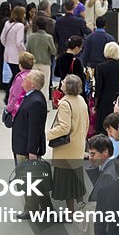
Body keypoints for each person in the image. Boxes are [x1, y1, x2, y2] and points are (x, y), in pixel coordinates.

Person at [48, 75, 89, 211]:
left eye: (64, 81)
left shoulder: (65, 104)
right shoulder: (81, 100)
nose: (62, 82)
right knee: (76, 179)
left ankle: (71, 212)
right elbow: (87, 123)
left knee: (66, 183)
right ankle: (80, 207)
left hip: (66, 148)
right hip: (78, 145)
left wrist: (48, 135)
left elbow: (64, 127)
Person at [12, 70, 48, 164]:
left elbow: (35, 128)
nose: (23, 80)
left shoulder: (36, 102)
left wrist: (32, 151)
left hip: (26, 150)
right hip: (20, 145)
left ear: (33, 84)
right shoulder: (29, 97)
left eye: (26, 79)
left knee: (25, 175)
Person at [94, 42, 119, 131]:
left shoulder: (101, 67)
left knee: (103, 126)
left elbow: (99, 87)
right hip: (117, 98)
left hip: (104, 100)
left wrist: (96, 103)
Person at [25, 15, 55, 96]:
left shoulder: (31, 37)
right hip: (45, 63)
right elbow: (53, 51)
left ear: (37, 26)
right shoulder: (49, 37)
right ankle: (43, 104)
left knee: (34, 85)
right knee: (45, 85)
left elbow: (27, 50)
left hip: (34, 63)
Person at [0, 5, 28, 87]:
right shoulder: (20, 26)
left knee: (14, 74)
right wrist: (24, 51)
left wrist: (8, 45)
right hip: (16, 55)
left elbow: (2, 38)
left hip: (7, 53)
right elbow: (19, 42)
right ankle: (9, 93)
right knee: (17, 75)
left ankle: (9, 93)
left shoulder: (7, 23)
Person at [5, 52, 35, 122]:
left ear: (20, 65)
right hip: (31, 109)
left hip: (19, 111)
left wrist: (9, 109)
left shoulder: (20, 79)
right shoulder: (34, 76)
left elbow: (16, 96)